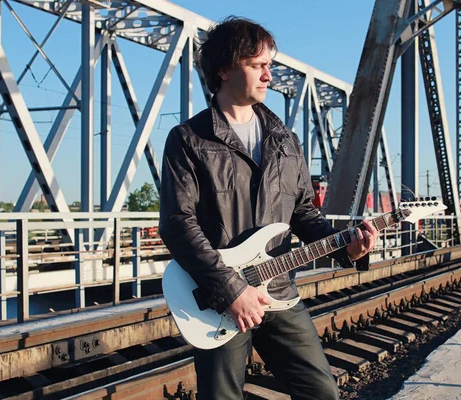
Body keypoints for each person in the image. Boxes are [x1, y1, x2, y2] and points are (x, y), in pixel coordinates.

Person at [159, 16, 378, 400]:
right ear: (224, 69)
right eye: (257, 65)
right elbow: (178, 224)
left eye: (270, 66)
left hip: (278, 291)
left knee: (322, 393)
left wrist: (347, 247)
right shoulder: (189, 140)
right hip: (220, 299)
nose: (268, 76)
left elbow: (304, 214)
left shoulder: (285, 141)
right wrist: (231, 289)